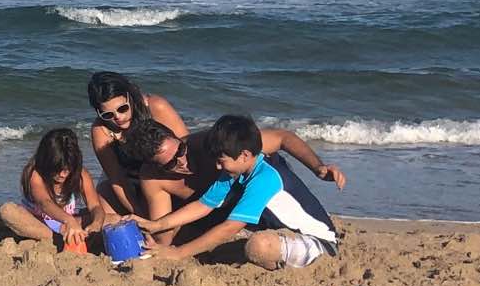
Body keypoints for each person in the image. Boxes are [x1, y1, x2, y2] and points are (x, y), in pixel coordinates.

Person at [131, 115, 338, 268]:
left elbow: (230, 227)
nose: (217, 168)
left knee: (258, 246)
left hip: (319, 243)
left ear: (244, 155)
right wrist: (157, 224)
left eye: (221, 162)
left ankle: (281, 265)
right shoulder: (234, 172)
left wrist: (178, 253)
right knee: (226, 247)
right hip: (282, 233)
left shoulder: (265, 178)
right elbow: (202, 205)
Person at [86, 71, 187, 214]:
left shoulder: (155, 107)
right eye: (108, 115)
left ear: (130, 96)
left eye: (123, 108)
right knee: (104, 196)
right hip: (131, 183)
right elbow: (117, 180)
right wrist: (138, 213)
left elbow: (187, 147)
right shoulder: (101, 130)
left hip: (165, 176)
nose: (118, 118)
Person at [0, 127, 108, 252]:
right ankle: (59, 239)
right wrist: (68, 221)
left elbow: (95, 206)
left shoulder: (80, 174)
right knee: (8, 211)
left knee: (114, 219)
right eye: (57, 169)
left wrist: (96, 224)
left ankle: (74, 238)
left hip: (69, 224)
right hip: (40, 224)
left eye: (67, 169)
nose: (62, 174)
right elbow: (45, 203)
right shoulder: (35, 173)